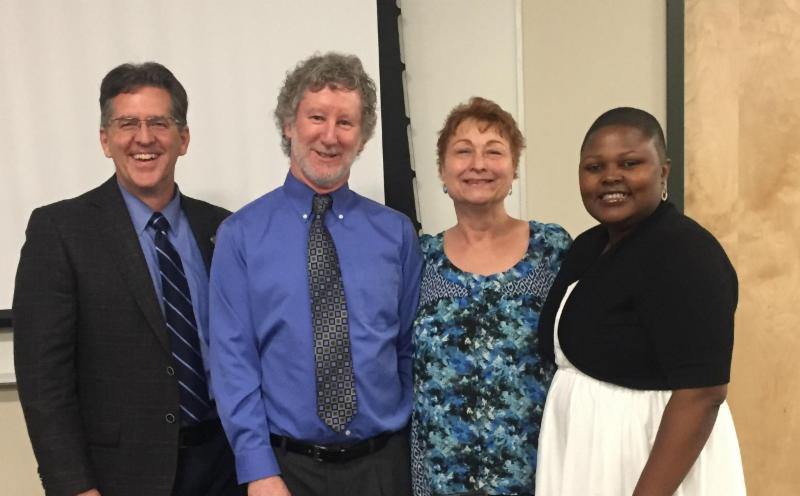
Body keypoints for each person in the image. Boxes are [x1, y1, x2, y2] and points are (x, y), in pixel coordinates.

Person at [13, 62, 241, 496]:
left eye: (159, 122)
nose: (144, 138)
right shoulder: (61, 231)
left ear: (184, 138)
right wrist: (73, 486)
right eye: (127, 124)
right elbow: (44, 382)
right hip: (120, 477)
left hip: (225, 467)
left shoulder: (223, 229)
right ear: (105, 139)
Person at [208, 52, 423, 496]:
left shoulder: (396, 234)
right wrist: (258, 470)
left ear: (362, 137)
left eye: (345, 122)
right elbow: (233, 363)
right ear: (289, 125)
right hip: (286, 473)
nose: (330, 136)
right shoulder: (240, 236)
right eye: (317, 117)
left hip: (382, 469)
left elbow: (407, 347)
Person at [535, 107, 746, 495]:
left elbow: (703, 394)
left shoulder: (687, 253)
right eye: (594, 167)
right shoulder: (588, 246)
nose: (610, 177)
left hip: (649, 461)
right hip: (588, 452)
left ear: (663, 172)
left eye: (630, 163)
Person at [409, 97, 572, 496]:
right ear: (442, 170)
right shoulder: (418, 257)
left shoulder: (552, 249)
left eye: (494, 152)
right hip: (439, 477)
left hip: (535, 471)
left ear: (514, 168)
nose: (478, 164)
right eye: (463, 151)